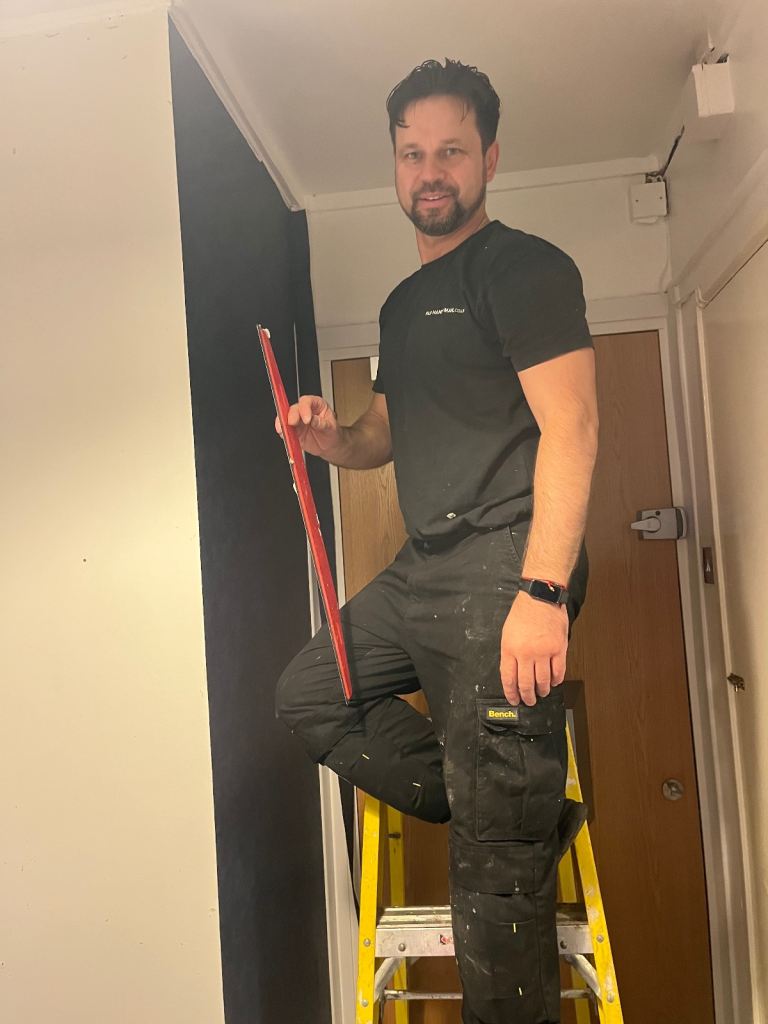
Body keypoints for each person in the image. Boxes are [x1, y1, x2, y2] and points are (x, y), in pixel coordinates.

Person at [275, 59, 598, 1024]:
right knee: (309, 695)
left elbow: (574, 426)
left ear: (488, 159)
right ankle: (505, 802)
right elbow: (383, 433)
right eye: (412, 153)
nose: (430, 171)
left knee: (494, 882)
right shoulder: (402, 307)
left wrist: (543, 594)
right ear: (395, 164)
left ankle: (506, 817)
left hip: (507, 564)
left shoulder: (524, 269)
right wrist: (333, 439)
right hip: (422, 569)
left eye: (450, 151)